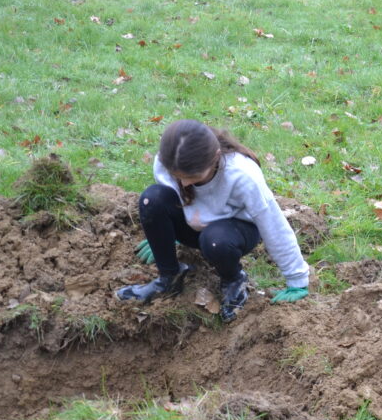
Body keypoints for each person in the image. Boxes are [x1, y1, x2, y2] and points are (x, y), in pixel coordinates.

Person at [115, 120, 311, 322]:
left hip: (233, 232)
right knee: (151, 198)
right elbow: (170, 199)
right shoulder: (166, 162)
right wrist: (165, 235)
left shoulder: (242, 176)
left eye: (192, 177)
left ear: (215, 158)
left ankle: (234, 281)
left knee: (215, 240)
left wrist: (296, 279)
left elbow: (274, 224)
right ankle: (169, 278)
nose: (184, 183)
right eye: (177, 176)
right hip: (196, 226)